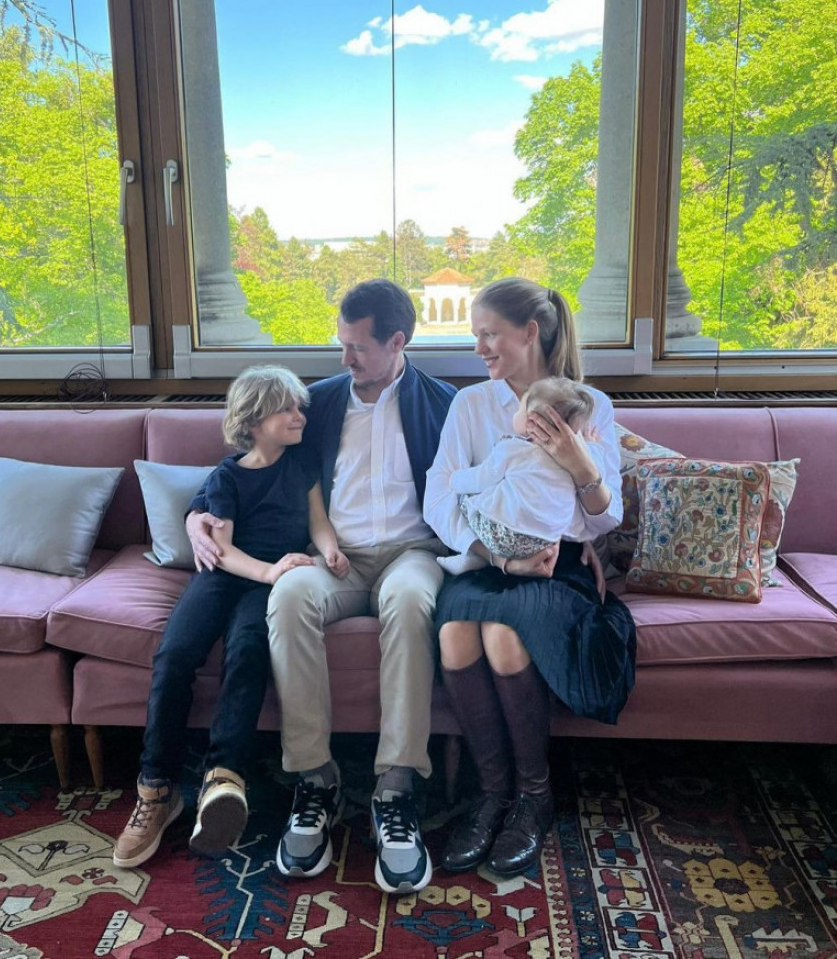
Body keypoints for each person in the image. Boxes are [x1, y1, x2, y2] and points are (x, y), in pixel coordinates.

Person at [187, 280, 456, 895]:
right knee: (286, 596)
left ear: (397, 342)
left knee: (410, 600)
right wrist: (195, 512)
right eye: (342, 344)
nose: (344, 357)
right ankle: (314, 779)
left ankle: (395, 785)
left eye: (357, 347)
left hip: (413, 554)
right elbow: (244, 461)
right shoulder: (320, 402)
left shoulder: (444, 404)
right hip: (335, 557)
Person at [423, 277, 636, 879]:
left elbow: (605, 517)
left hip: (557, 562)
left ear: (531, 332)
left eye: (489, 335)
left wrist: (579, 464)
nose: (479, 349)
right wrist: (496, 559)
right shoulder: (471, 405)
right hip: (486, 557)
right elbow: (440, 494)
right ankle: (492, 794)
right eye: (476, 336)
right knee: (455, 633)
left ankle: (533, 796)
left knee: (503, 635)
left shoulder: (589, 405)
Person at [113, 365, 349, 870]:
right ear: (254, 420)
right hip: (229, 575)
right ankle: (156, 789)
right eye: (286, 409)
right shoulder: (227, 475)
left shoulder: (303, 463)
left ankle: (224, 780)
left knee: (247, 651)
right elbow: (221, 551)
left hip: (270, 583)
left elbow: (318, 521)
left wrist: (329, 550)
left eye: (299, 406)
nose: (299, 415)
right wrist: (272, 571)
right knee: (174, 655)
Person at [437, 377, 604, 576]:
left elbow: (482, 477)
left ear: (531, 421)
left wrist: (455, 480)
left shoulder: (513, 449)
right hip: (546, 540)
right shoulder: (575, 457)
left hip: (504, 536)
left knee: (467, 498)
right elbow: (595, 465)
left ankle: (473, 557)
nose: (515, 414)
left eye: (519, 410)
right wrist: (591, 444)